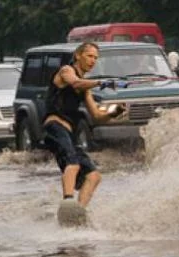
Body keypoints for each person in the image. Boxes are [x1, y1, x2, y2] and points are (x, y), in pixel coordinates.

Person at [43, 42, 124, 218]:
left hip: (69, 134)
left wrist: (114, 112)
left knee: (94, 176)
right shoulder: (66, 71)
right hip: (54, 127)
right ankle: (68, 202)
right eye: (89, 56)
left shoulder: (85, 89)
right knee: (73, 163)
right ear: (78, 55)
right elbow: (76, 83)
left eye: (96, 58)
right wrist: (101, 83)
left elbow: (96, 115)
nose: (93, 61)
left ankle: (79, 212)